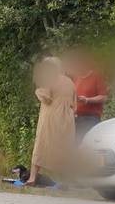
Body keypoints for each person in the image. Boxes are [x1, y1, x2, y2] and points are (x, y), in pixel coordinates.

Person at [20, 56, 76, 188]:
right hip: (67, 119)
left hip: (50, 117)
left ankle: (33, 178)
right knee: (65, 149)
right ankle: (67, 181)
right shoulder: (70, 82)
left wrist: (37, 91)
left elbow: (46, 97)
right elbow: (75, 105)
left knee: (41, 146)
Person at [67, 48, 107, 139]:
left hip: (90, 118)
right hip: (76, 118)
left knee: (88, 144)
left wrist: (87, 100)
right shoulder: (76, 77)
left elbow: (104, 97)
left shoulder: (96, 76)